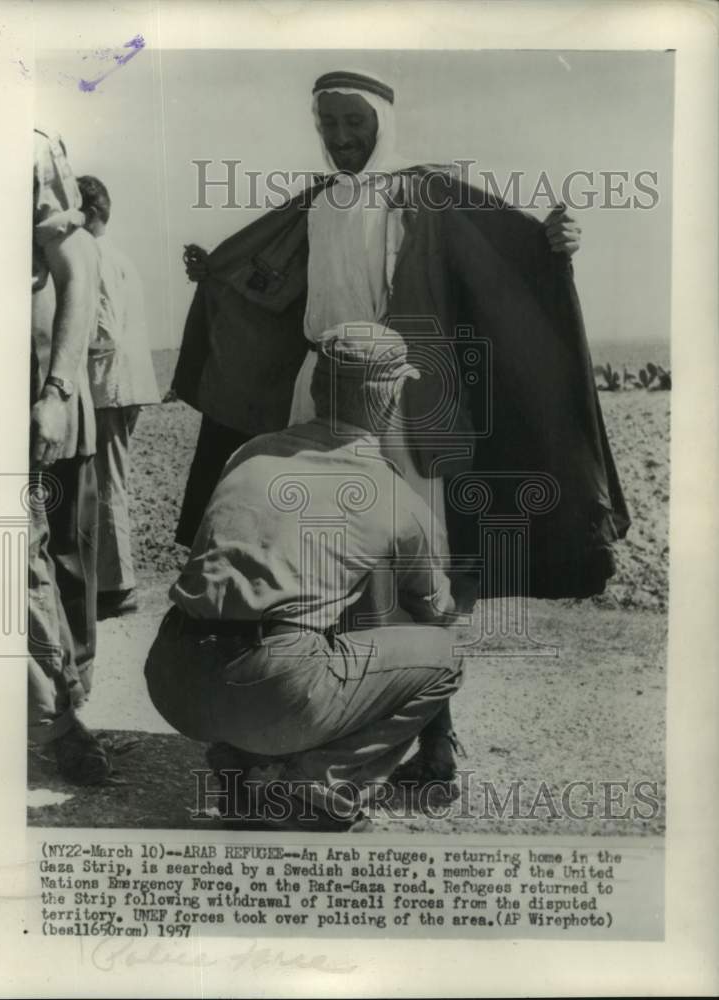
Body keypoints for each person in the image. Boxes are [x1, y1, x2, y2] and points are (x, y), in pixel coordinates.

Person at [171, 69, 627, 608]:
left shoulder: (427, 195)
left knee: (408, 535)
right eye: (328, 122)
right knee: (322, 531)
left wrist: (556, 241)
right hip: (318, 391)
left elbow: (505, 254)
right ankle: (333, 649)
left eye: (354, 121)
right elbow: (270, 286)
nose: (340, 136)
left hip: (400, 399)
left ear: (381, 123)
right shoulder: (316, 205)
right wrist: (219, 275)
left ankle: (412, 659)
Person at [146, 329, 464, 831]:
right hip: (268, 688)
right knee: (443, 659)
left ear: (318, 387)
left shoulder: (250, 453)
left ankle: (240, 767)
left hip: (171, 679)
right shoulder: (391, 492)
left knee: (294, 606)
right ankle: (317, 785)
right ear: (388, 398)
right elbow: (438, 615)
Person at [29, 130, 110, 783]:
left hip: (12, 391)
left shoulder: (26, 147)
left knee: (27, 558)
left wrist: (56, 390)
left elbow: (74, 266)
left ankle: (60, 717)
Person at [77, 175, 161, 618]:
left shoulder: (92, 255)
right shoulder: (121, 257)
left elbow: (102, 332)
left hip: (106, 385)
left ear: (88, 212)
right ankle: (114, 580)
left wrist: (69, 345)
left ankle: (118, 586)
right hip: (126, 384)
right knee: (112, 482)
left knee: (107, 484)